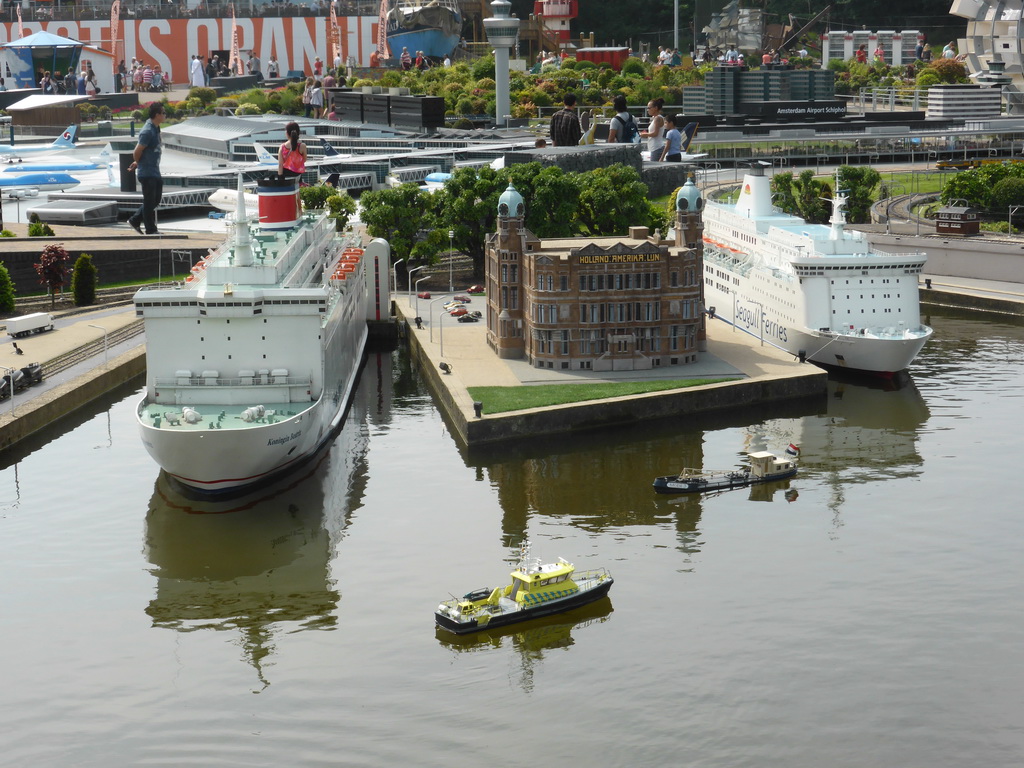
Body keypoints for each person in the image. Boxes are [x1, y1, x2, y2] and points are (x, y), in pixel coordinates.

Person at [127, 102, 166, 236]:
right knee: (149, 201)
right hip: (147, 172)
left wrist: (138, 162)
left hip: (154, 170)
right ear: (157, 115)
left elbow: (146, 151)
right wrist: (139, 162)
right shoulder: (148, 131)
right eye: (163, 113)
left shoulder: (156, 128)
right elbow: (137, 151)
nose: (165, 115)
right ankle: (151, 229)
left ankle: (135, 220)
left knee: (155, 200)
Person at [278, 121, 307, 218]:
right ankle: (299, 213)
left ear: (287, 133)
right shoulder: (302, 146)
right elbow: (304, 159)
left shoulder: (282, 147)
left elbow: (280, 165)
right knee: (297, 194)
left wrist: (280, 177)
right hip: (297, 175)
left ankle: (288, 215)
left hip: (286, 175)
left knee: (287, 196)